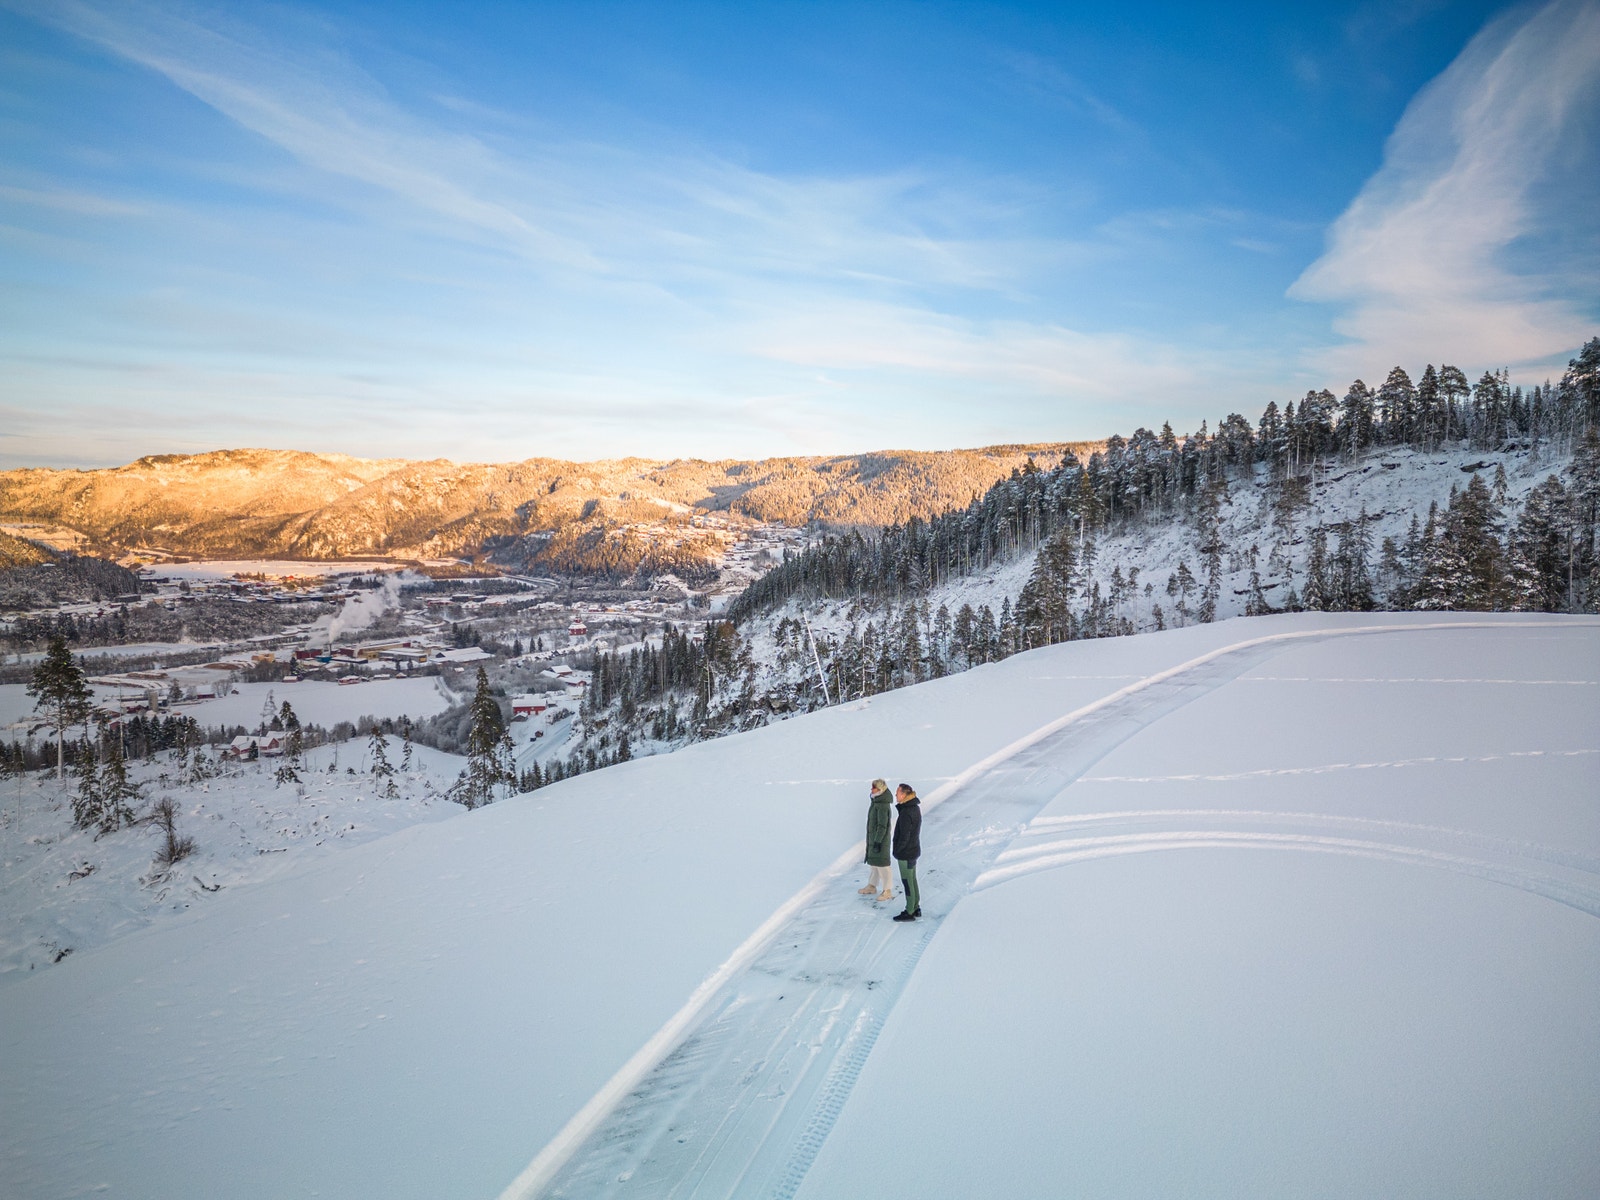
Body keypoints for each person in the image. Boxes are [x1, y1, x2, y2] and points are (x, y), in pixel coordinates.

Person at [857, 779, 896, 901]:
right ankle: (872, 886)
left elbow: (882, 825)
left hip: (880, 840)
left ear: (880, 790)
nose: (871, 790)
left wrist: (878, 841)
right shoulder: (876, 801)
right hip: (874, 838)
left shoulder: (882, 805)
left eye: (873, 788)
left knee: (883, 866)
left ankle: (887, 890)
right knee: (874, 864)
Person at [891, 783, 922, 922]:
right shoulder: (914, 808)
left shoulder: (906, 813)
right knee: (912, 879)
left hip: (906, 853)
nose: (896, 795)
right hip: (913, 850)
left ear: (904, 795)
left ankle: (910, 911)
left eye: (897, 792)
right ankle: (915, 907)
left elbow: (904, 836)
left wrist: (897, 850)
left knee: (907, 882)